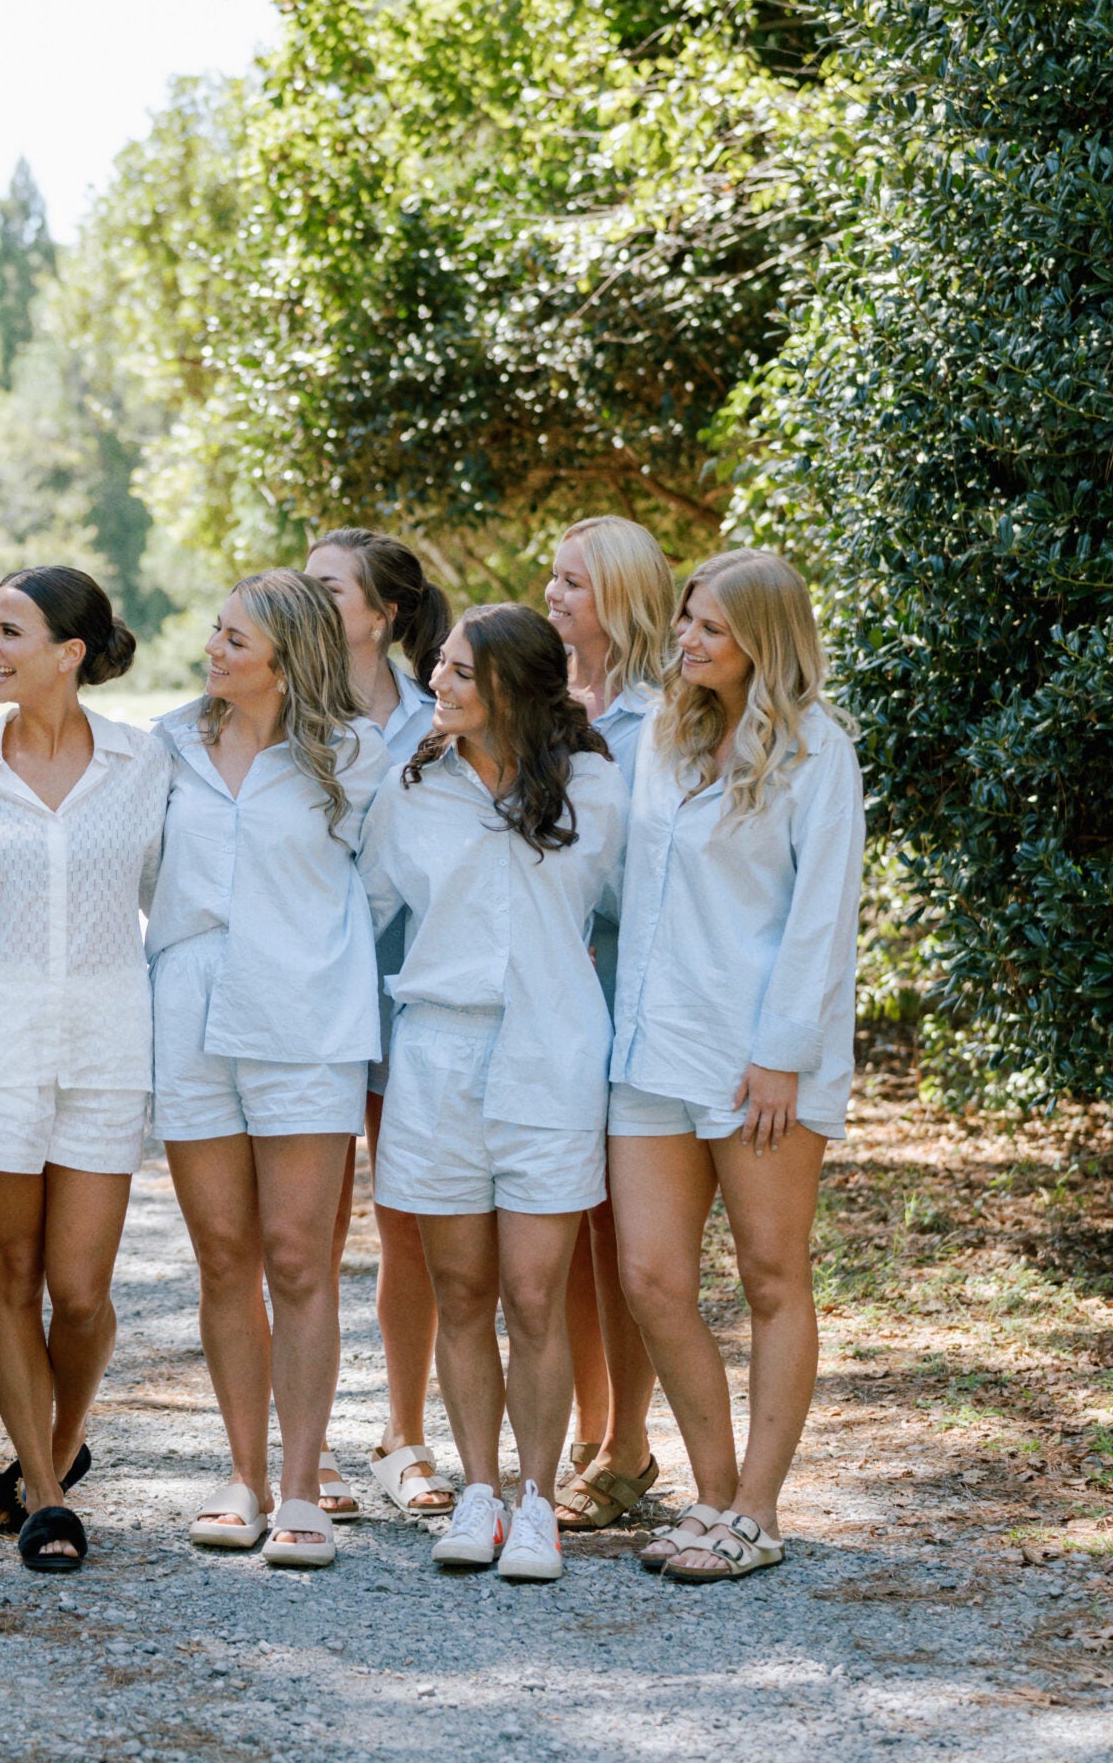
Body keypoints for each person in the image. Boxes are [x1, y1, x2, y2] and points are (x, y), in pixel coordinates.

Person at [608, 548, 864, 1584]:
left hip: (760, 1060)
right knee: (650, 1278)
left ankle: (757, 1512)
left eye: (710, 627)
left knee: (769, 1275)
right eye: (686, 621)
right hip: (650, 1051)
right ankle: (711, 1495)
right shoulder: (663, 739)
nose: (687, 640)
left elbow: (823, 916)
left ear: (764, 638)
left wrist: (780, 1057)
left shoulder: (818, 752)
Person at [360, 604, 627, 1584]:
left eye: (461, 672)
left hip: (553, 1057)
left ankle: (536, 1502)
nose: (438, 683)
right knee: (463, 1291)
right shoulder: (413, 791)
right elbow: (357, 911)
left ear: (515, 685)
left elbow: (636, 908)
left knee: (534, 1293)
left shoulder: (594, 787)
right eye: (440, 665)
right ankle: (479, 1490)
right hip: (437, 1059)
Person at [0, 567, 169, 1573]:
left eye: (9, 632)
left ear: (69, 653)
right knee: (14, 1274)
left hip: (108, 1046)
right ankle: (49, 1497)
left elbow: (168, 895)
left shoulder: (145, 764)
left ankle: (55, 1450)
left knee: (82, 1291)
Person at [152, 570, 384, 1570]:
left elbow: (385, 886)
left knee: (297, 1256)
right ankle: (242, 1475)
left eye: (234, 639)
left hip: (306, 1019)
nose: (213, 648)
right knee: (221, 1257)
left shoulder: (353, 756)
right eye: (216, 630)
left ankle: (301, 1487)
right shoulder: (166, 745)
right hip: (187, 1015)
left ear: (288, 661)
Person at [302, 529, 454, 1521]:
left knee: (411, 1223)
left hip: (412, 993)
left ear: (382, 614)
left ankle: (404, 1437)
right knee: (306, 1229)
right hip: (311, 997)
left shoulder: (442, 717)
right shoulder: (281, 709)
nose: (306, 597)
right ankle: (303, 1446)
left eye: (328, 588)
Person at [541, 514, 677, 1531]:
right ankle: (596, 1430)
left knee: (627, 1232)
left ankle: (630, 1441)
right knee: (574, 1219)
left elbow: (655, 874)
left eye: (573, 582)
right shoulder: (544, 703)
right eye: (551, 577)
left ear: (622, 598)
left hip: (635, 992)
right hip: (557, 997)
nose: (553, 595)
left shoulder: (661, 721)